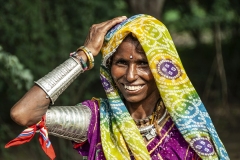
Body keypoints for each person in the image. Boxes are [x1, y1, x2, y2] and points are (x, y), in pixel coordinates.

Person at [5, 14, 229, 160]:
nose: (131, 76)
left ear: (163, 68)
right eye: (122, 63)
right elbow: (23, 114)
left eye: (143, 64)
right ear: (109, 68)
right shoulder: (98, 120)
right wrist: (84, 55)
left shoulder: (188, 129)